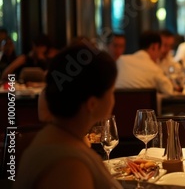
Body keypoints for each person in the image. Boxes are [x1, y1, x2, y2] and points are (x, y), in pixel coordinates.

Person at [14, 44, 122, 189]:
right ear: (92, 104)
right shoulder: (68, 165)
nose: (113, 98)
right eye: (111, 91)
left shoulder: (61, 137)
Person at [115, 30, 176, 95]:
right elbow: (169, 90)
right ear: (154, 47)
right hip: (142, 104)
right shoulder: (154, 69)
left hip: (118, 104)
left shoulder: (120, 61)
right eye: (159, 49)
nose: (159, 54)